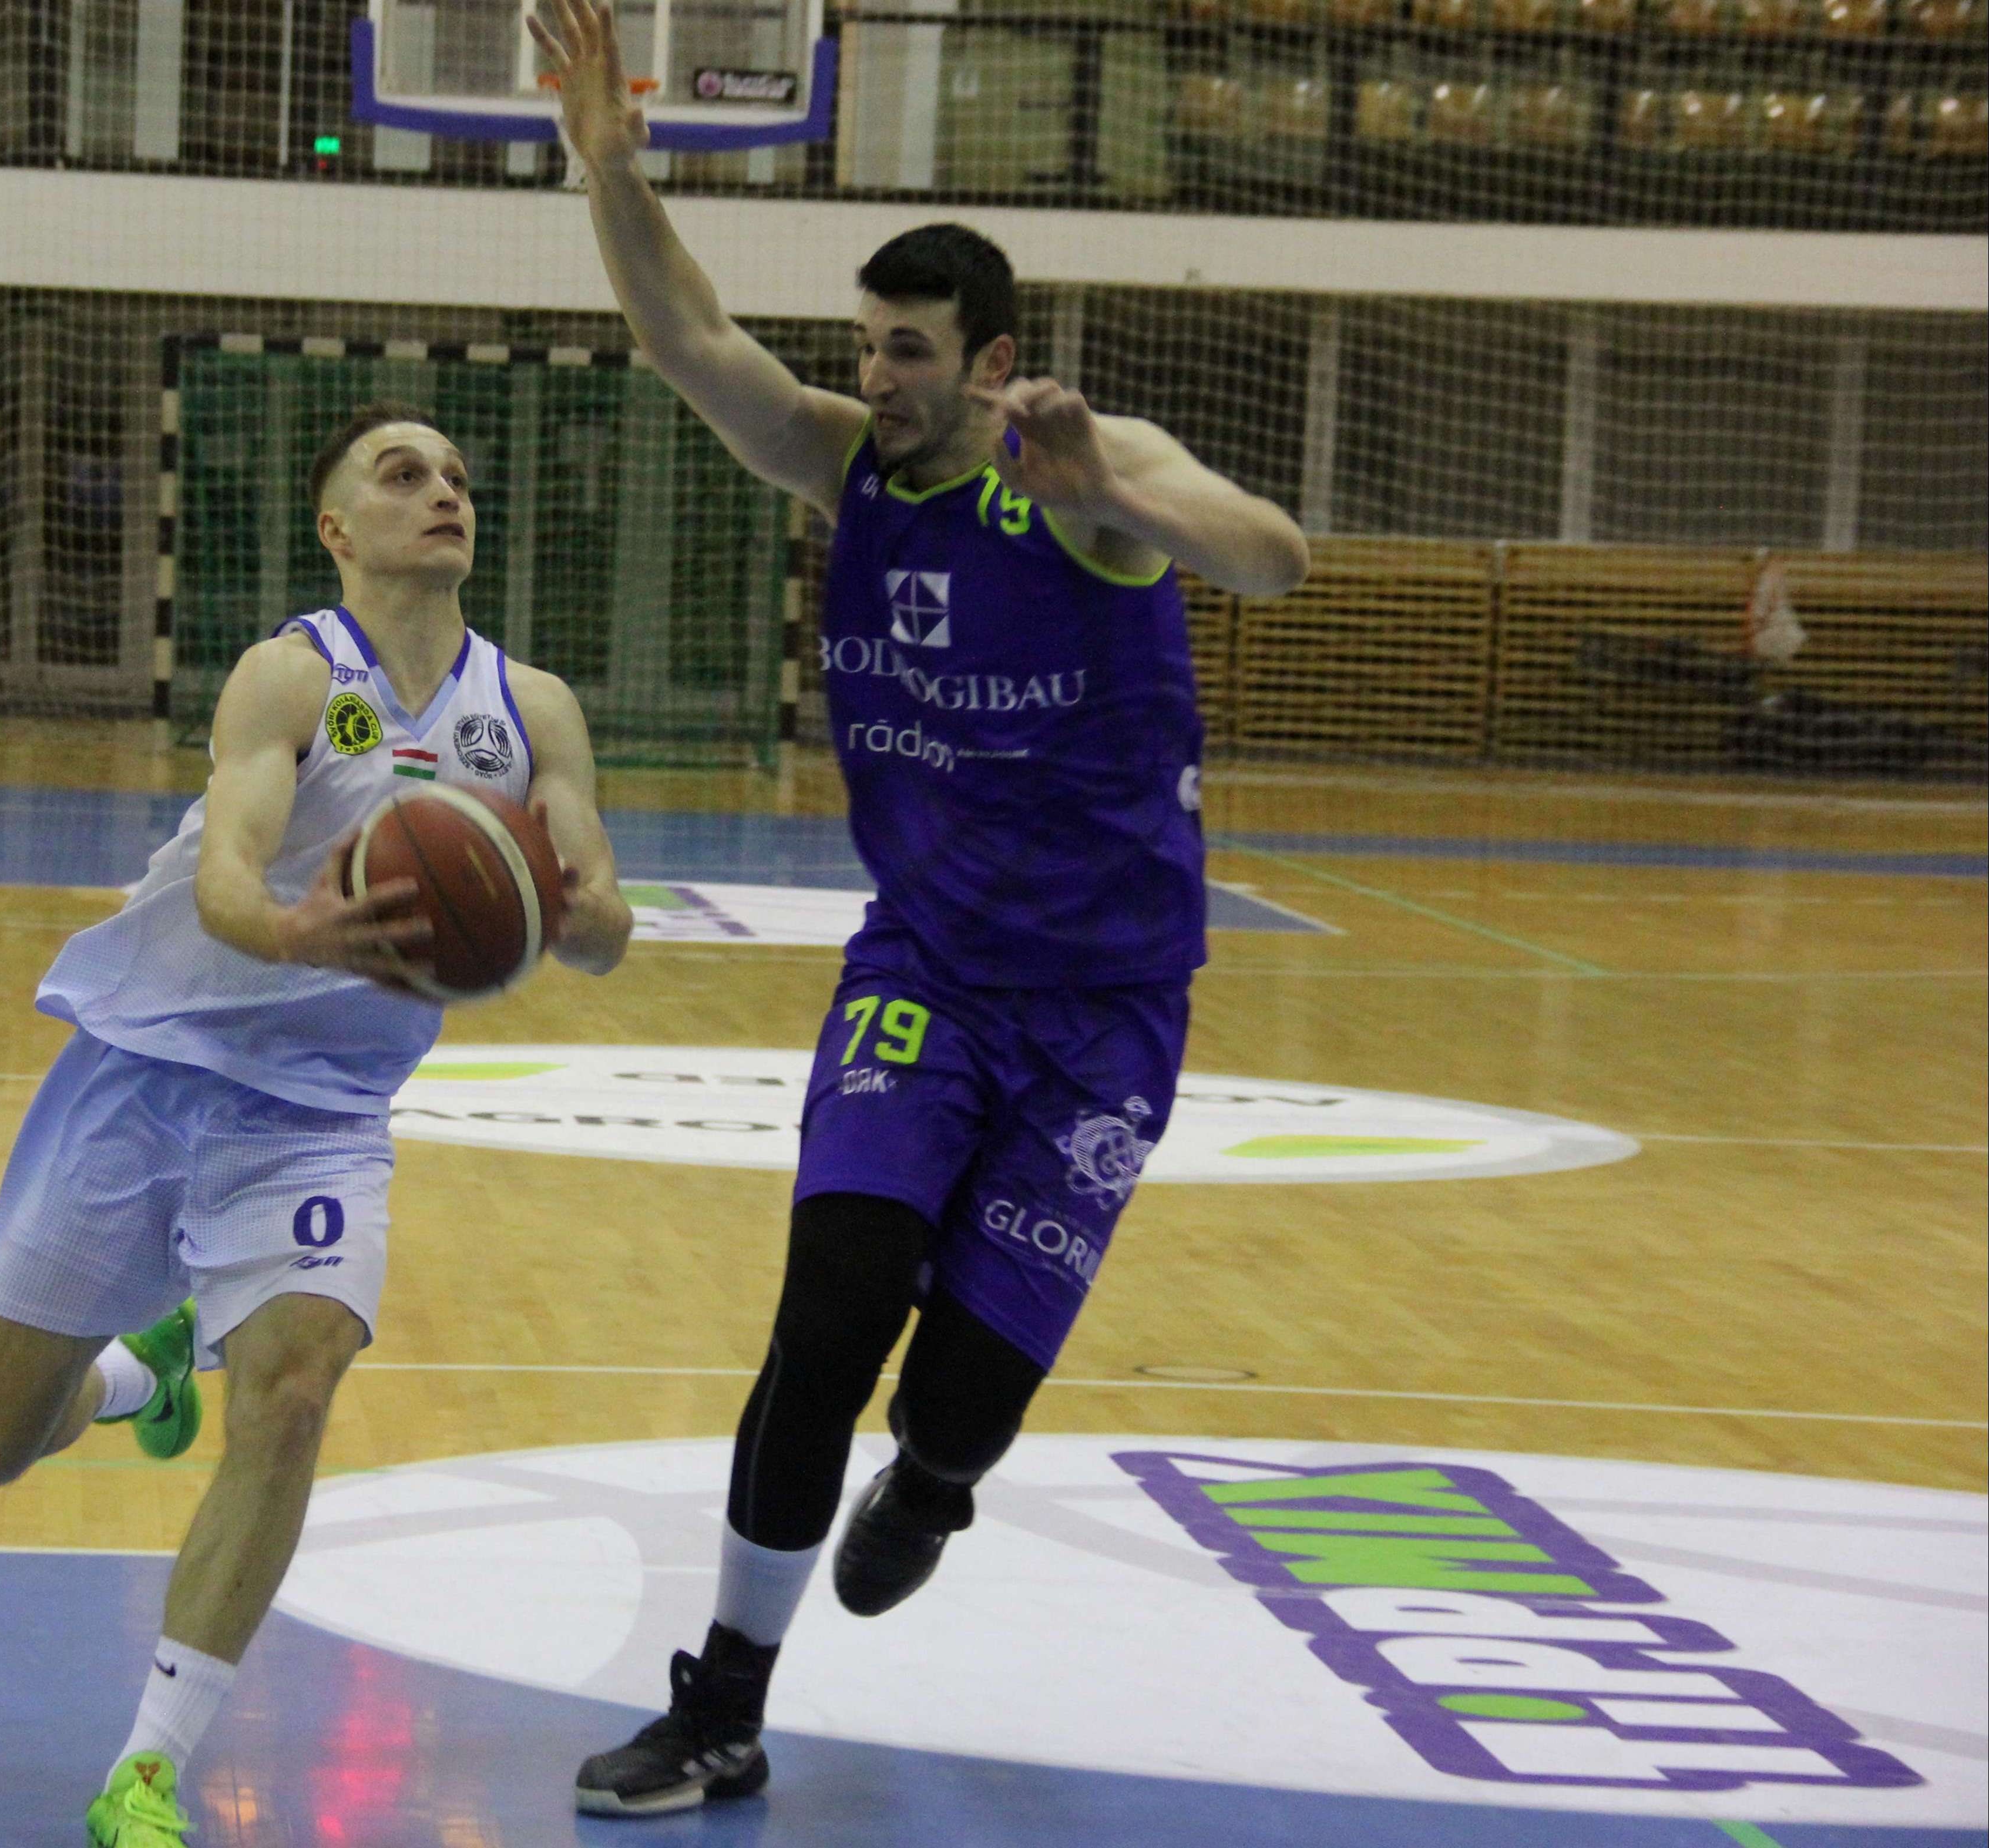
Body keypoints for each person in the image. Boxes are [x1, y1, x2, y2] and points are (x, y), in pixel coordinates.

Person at [530, 0, 1311, 1816]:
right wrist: (611, 169)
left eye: (909, 351)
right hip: (929, 974)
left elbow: (1277, 559)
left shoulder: (1093, 484)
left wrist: (1116, 492)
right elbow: (689, 337)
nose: (877, 377)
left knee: (957, 1398)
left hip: (1106, 1012)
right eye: (868, 345)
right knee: (830, 1312)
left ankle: (942, 1479)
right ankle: (722, 1705)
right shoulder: (851, 467)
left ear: (993, 359)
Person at [0, 400, 634, 1847]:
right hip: (147, 1070)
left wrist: (569, 914)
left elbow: (606, 921)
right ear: (335, 526)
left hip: (321, 1111)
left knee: (297, 1388)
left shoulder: (532, 709)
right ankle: (135, 1377)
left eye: (456, 475)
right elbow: (224, 881)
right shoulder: (289, 676)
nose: (441, 491)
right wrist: (297, 932)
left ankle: (145, 1771)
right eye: (402, 473)